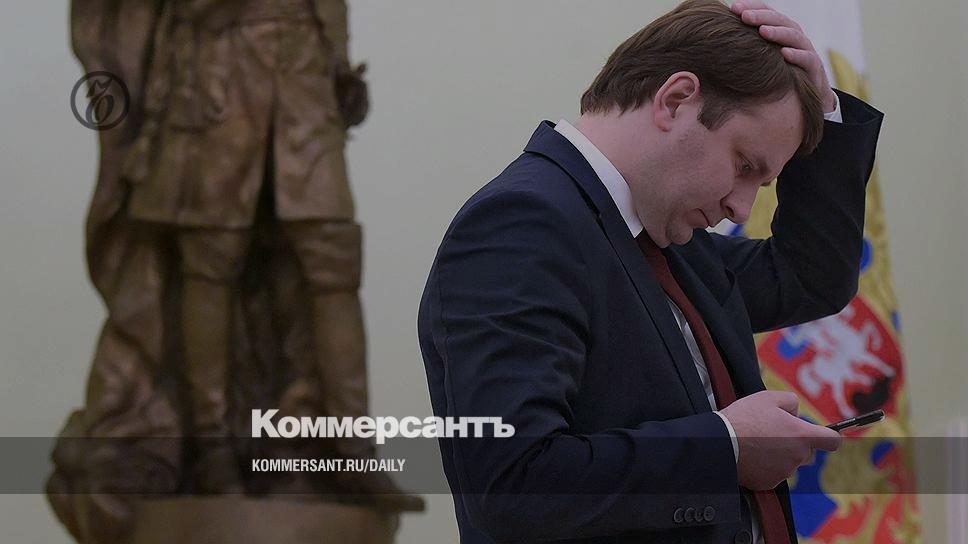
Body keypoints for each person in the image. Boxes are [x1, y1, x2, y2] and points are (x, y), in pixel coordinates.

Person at [417, 0, 883, 542]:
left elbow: (809, 278)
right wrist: (726, 449)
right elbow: (512, 486)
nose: (741, 209)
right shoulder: (521, 224)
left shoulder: (664, 237)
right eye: (743, 166)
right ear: (677, 100)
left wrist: (824, 109)